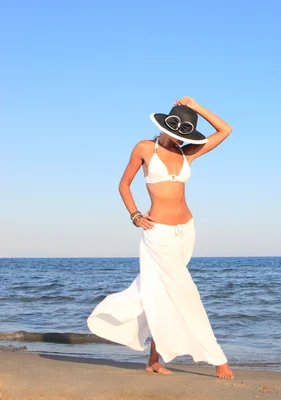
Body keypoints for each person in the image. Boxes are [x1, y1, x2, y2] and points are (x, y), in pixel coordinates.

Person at [87, 96, 234, 379]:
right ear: (165, 126)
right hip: (158, 234)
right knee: (187, 293)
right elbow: (124, 184)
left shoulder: (187, 152)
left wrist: (197, 107)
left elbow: (225, 130)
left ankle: (154, 360)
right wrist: (135, 215)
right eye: (176, 132)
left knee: (162, 294)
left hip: (185, 230)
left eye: (184, 135)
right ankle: (218, 359)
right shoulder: (145, 148)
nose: (179, 139)